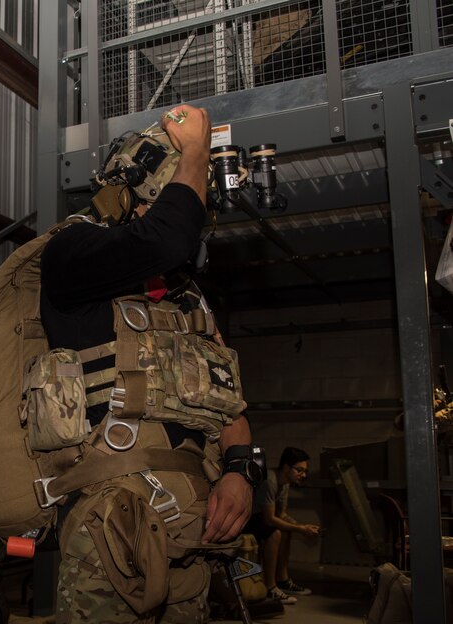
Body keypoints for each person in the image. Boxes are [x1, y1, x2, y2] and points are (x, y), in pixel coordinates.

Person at [40, 104, 256, 623]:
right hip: (111, 532)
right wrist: (196, 152)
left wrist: (241, 472)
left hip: (190, 533)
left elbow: (230, 406)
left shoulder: (185, 301)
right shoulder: (71, 254)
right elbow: (165, 238)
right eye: (190, 195)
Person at [243, 446, 320, 606]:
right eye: (299, 470)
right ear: (286, 467)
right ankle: (271, 586)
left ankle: (283, 580)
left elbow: (282, 514)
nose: (303, 475)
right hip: (248, 519)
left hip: (262, 518)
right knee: (276, 533)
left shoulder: (285, 483)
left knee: (287, 529)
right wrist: (300, 529)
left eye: (305, 471)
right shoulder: (270, 481)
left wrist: (301, 526)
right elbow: (270, 519)